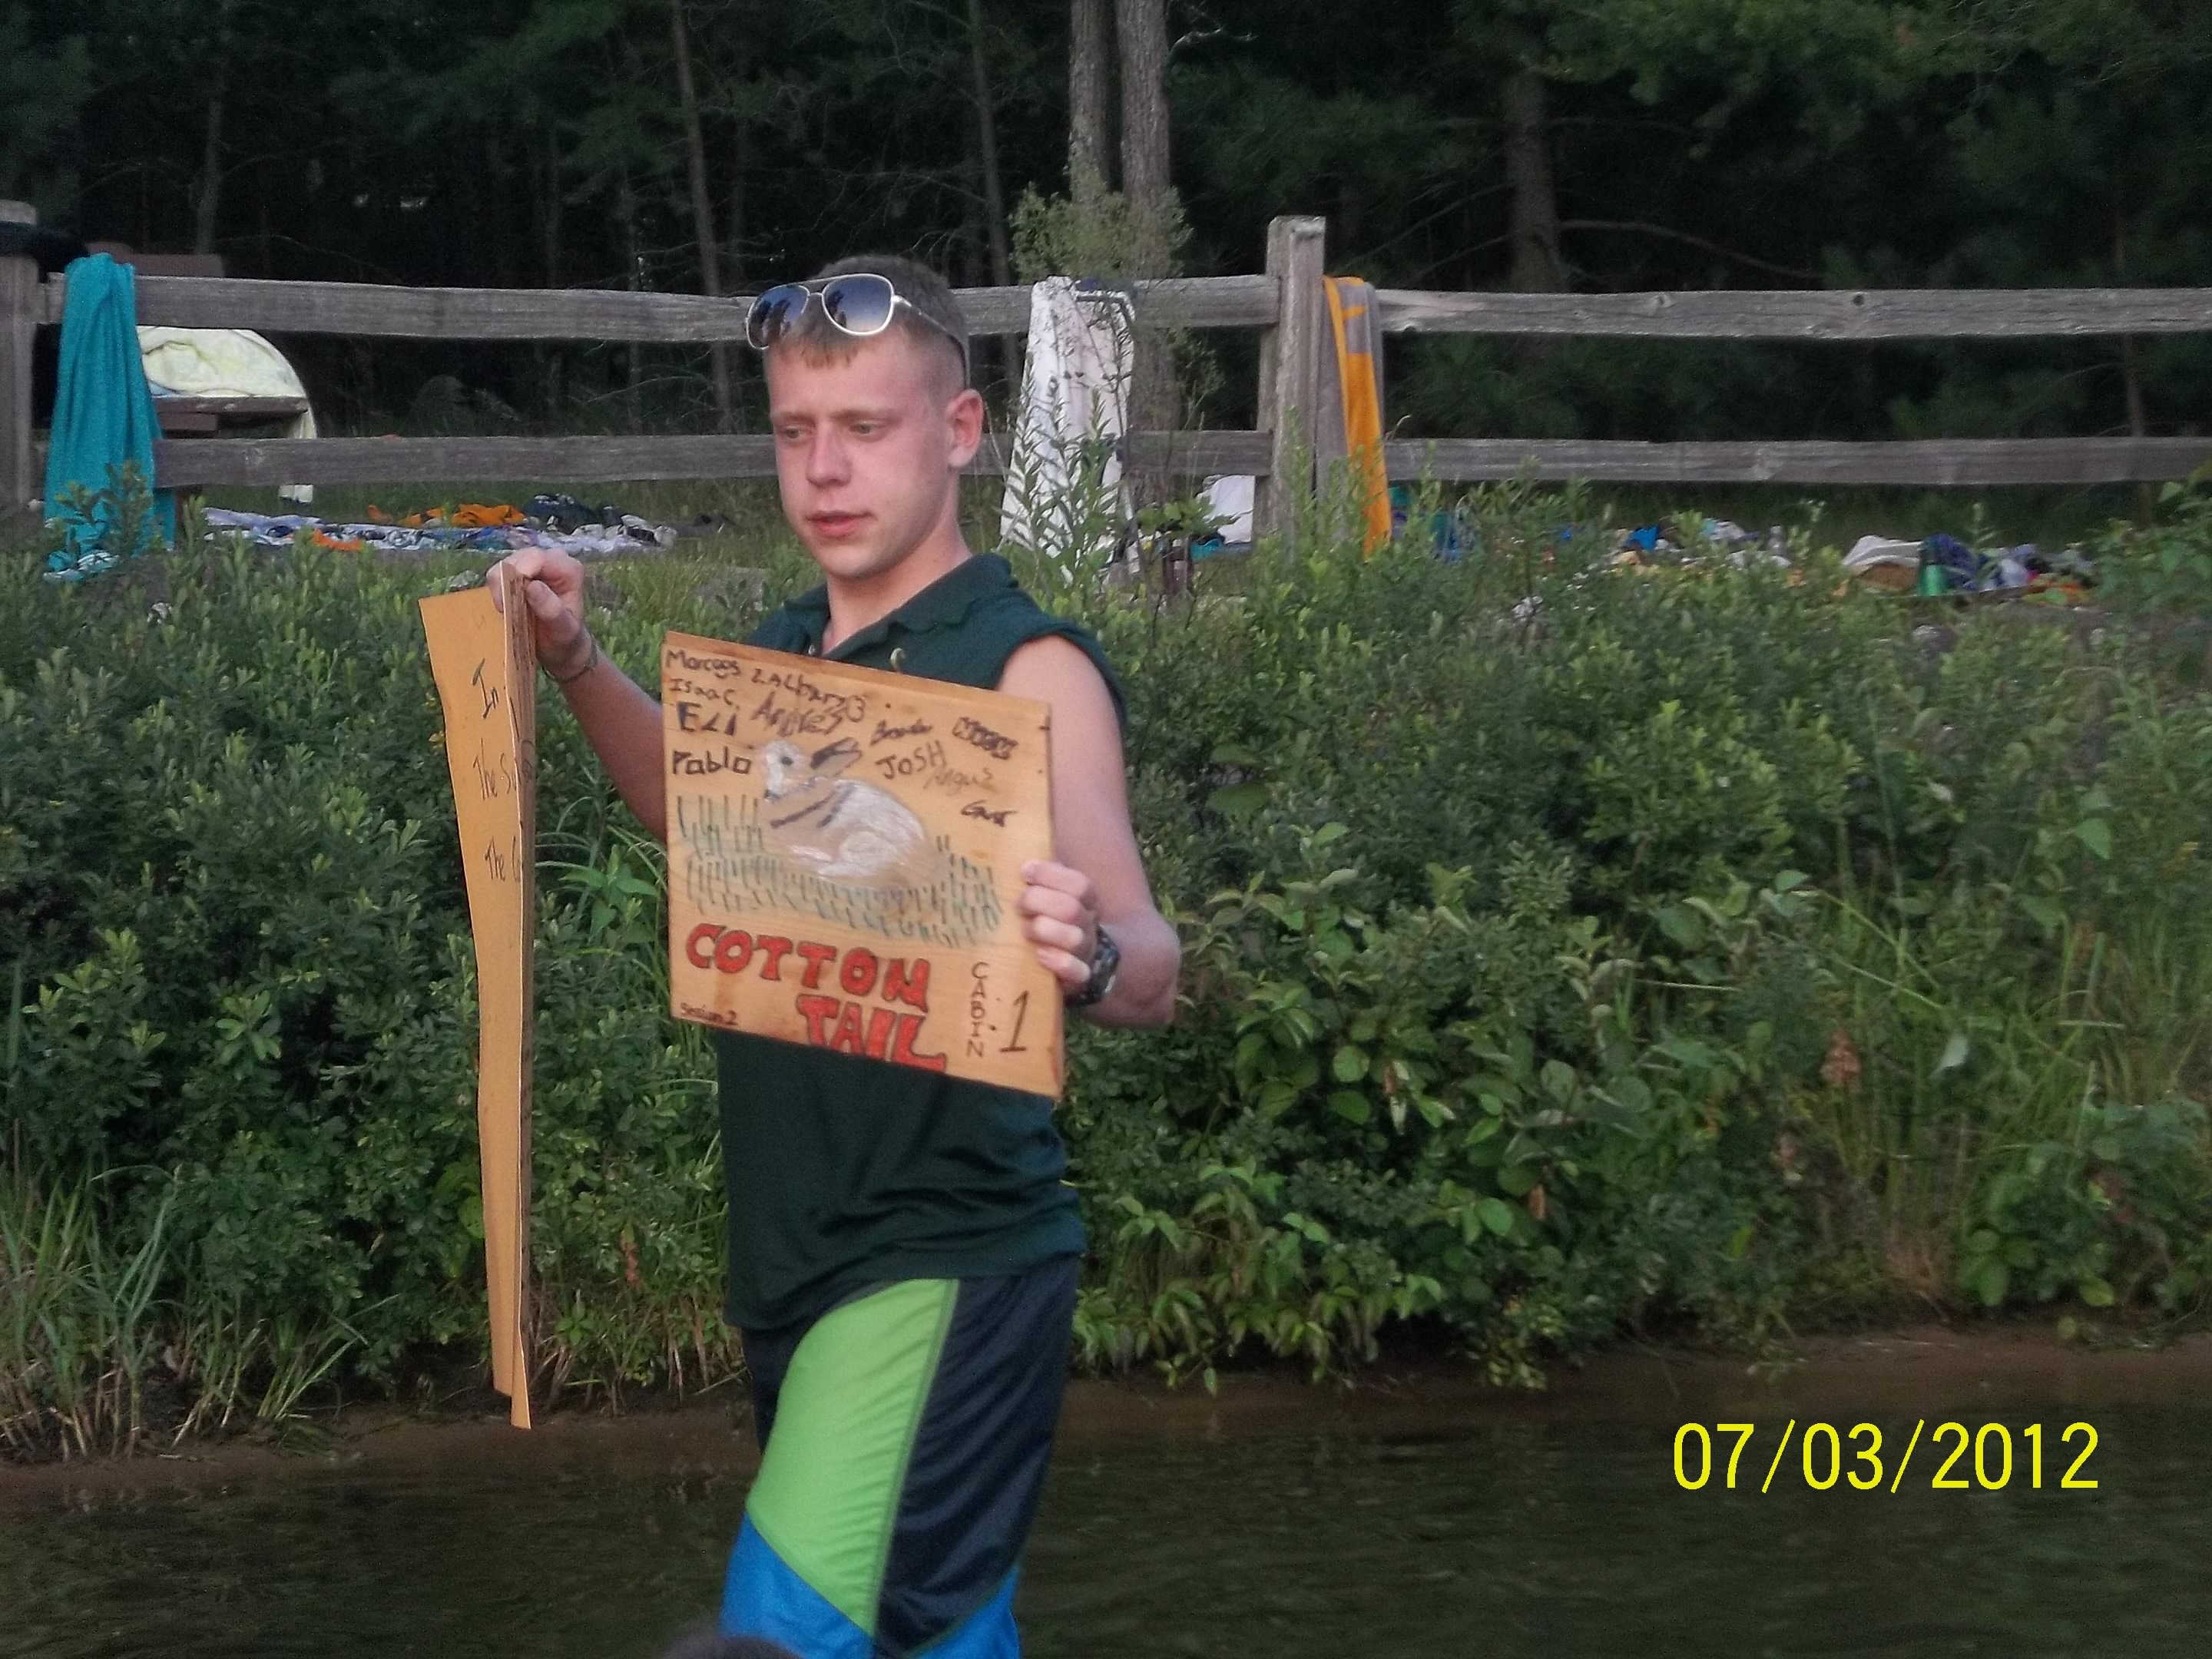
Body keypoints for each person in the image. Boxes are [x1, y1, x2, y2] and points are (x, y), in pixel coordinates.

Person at [494, 254, 1180, 1659]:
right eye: (797, 431)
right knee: (935, 1637)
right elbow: (696, 814)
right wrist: (573, 660)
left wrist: (1094, 954)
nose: (825, 470)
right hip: (793, 1258)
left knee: (781, 1635)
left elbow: (1154, 960)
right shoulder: (787, 656)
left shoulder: (1024, 665)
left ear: (960, 430)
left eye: (865, 428)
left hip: (944, 1251)